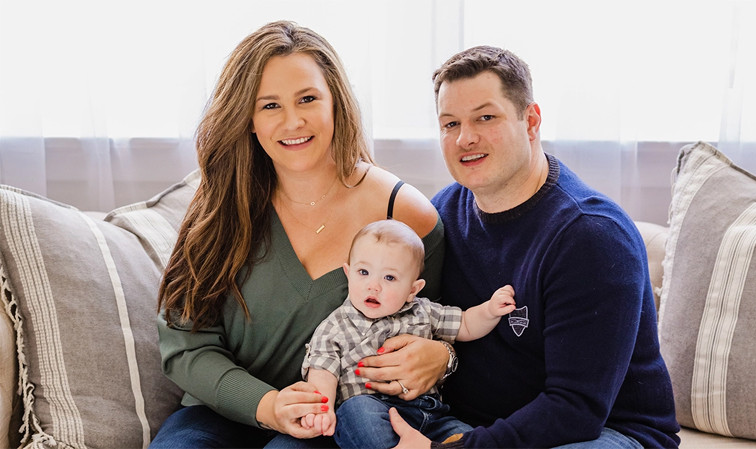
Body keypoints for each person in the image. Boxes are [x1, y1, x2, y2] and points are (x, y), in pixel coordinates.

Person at [149, 21, 452, 449]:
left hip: (331, 422)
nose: (293, 121)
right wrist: (269, 405)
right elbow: (185, 344)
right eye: (270, 105)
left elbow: (433, 324)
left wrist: (444, 357)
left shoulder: (403, 214)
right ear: (248, 119)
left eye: (308, 99)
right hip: (219, 410)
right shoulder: (220, 202)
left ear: (336, 103)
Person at [385, 46, 681, 448]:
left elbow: (575, 410)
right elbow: (420, 318)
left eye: (485, 117)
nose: (465, 138)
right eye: (450, 123)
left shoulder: (591, 237)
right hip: (469, 423)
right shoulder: (443, 214)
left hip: (599, 433)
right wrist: (442, 356)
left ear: (531, 121)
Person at [300, 219, 515, 448]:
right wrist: (321, 411)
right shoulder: (334, 327)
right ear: (348, 273)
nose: (374, 286)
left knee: (473, 438)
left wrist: (489, 311)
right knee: (355, 412)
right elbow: (322, 373)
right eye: (363, 272)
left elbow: (466, 324)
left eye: (389, 277)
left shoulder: (424, 311)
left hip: (430, 416)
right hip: (371, 410)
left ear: (413, 289)